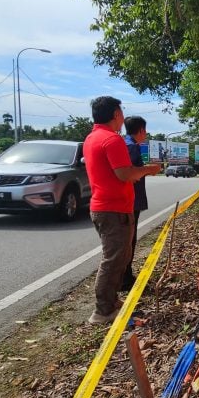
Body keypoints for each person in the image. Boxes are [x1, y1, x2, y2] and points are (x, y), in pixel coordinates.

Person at [84, 96, 161, 324]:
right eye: (121, 113)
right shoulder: (112, 140)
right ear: (116, 114)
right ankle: (103, 310)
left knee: (121, 256)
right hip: (113, 209)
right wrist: (149, 169)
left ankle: (111, 300)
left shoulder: (92, 138)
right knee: (114, 259)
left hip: (107, 207)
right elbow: (125, 174)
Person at [122, 115, 152, 290]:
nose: (145, 134)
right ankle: (126, 279)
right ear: (141, 130)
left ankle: (125, 276)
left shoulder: (126, 144)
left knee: (128, 239)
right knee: (129, 240)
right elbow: (132, 174)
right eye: (145, 130)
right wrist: (149, 170)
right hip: (131, 200)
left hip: (128, 199)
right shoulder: (132, 147)